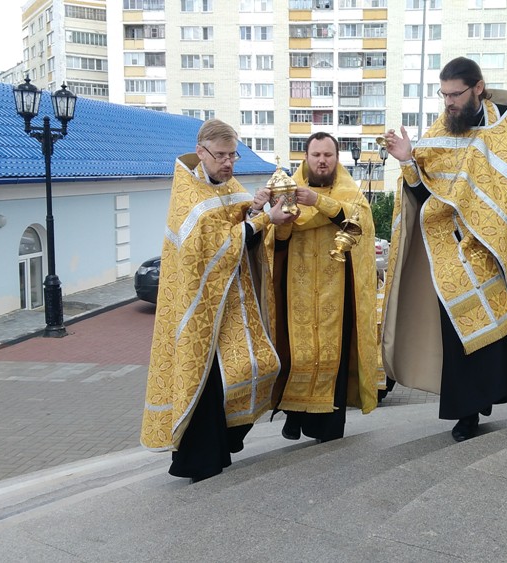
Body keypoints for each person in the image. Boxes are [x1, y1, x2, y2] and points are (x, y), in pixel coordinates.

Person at [379, 57, 507, 442]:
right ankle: (467, 413)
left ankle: (500, 391)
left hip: (499, 248)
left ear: (478, 88)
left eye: (455, 94)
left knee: (503, 331)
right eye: (444, 95)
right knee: (460, 337)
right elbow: (423, 194)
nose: (449, 103)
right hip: (451, 255)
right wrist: (407, 160)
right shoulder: (440, 131)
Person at [140, 119, 297, 482]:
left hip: (230, 304)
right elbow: (211, 250)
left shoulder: (230, 186)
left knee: (258, 366)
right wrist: (262, 221)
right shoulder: (189, 195)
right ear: (201, 152)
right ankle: (199, 462)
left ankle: (227, 441)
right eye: (221, 155)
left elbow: (238, 235)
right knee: (206, 384)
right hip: (199, 308)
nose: (228, 163)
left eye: (233, 156)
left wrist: (254, 211)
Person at [272, 132, 380, 443]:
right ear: (305, 158)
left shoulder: (350, 192)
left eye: (328, 155)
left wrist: (317, 201)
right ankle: (294, 415)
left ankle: (329, 430)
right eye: (316, 155)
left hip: (337, 292)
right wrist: (282, 220)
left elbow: (360, 223)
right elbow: (278, 241)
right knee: (298, 355)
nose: (322, 161)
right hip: (298, 290)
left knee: (333, 358)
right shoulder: (288, 190)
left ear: (336, 158)